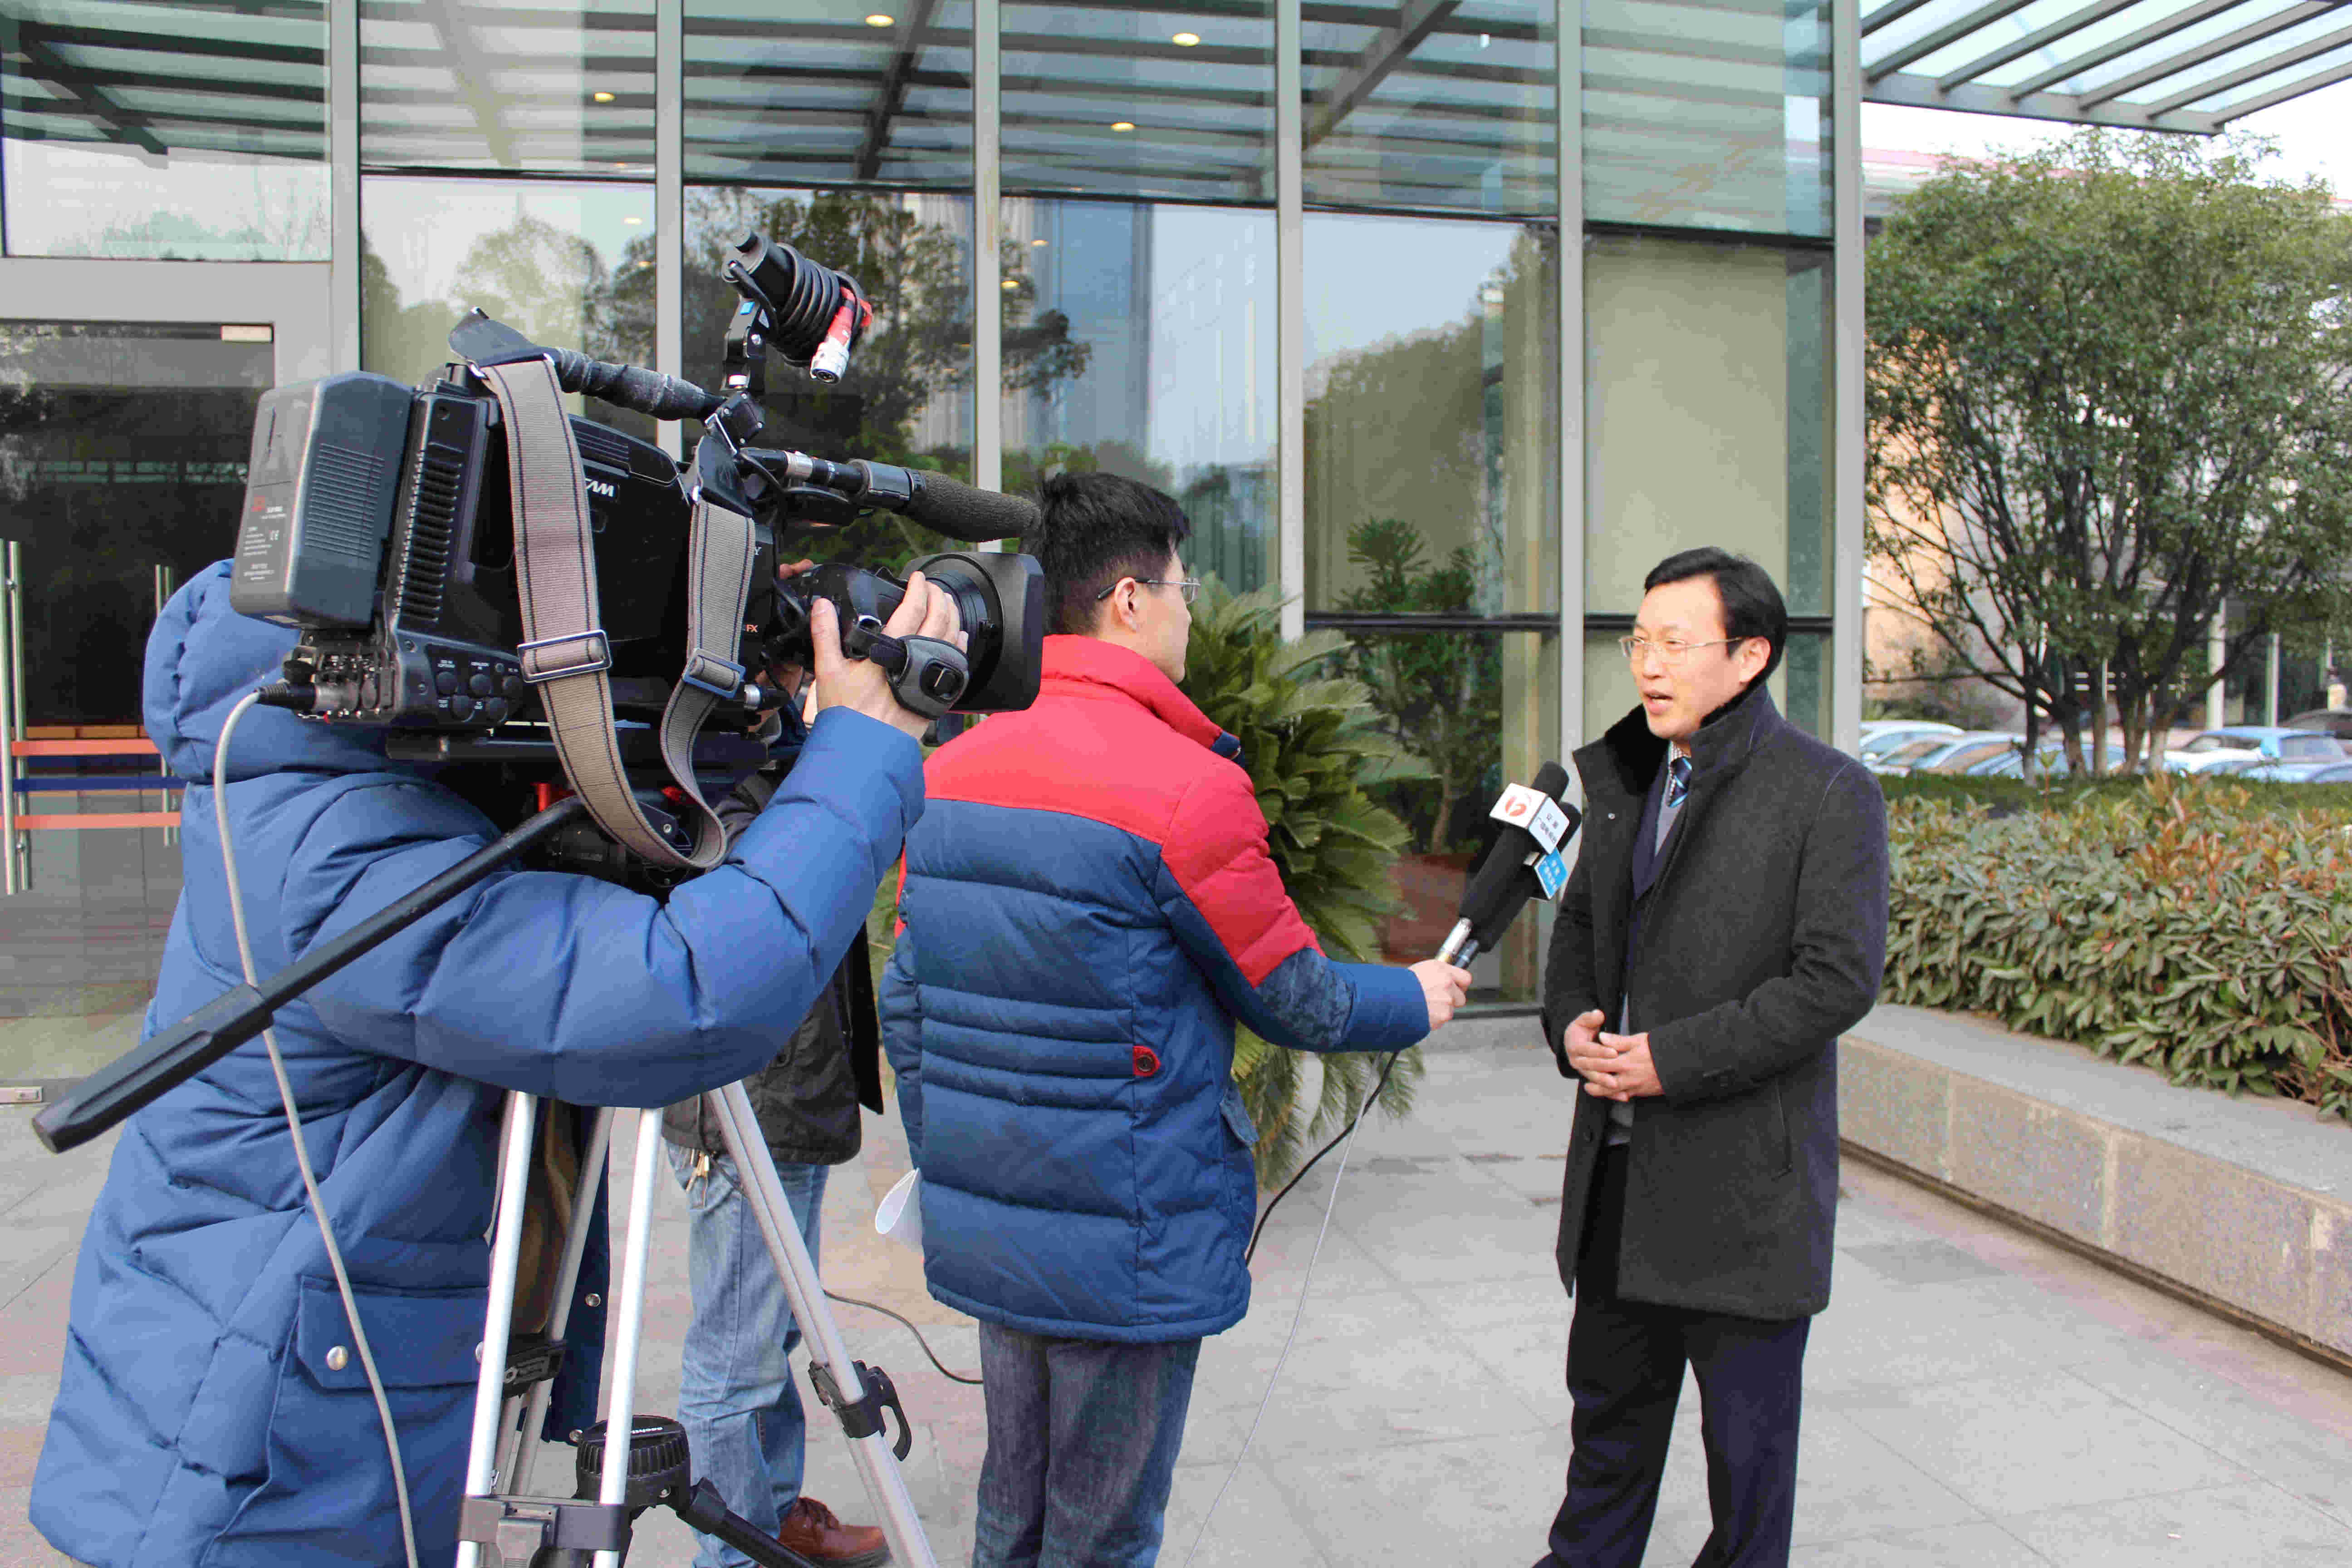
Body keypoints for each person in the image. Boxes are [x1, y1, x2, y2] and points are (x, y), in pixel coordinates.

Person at [32, 558, 960, 1568]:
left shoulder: (347, 784)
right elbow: (684, 995)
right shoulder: (334, 843)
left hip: (286, 1396)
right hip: (264, 1460)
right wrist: (862, 750)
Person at [880, 471, 1474, 1568]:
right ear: (1129, 601)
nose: (1191, 614)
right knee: (1102, 1535)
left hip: (996, 1222)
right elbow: (1292, 995)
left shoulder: (942, 773)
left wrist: (953, 1164)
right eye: (1183, 589)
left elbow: (907, 1002)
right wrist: (1416, 997)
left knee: (1011, 1515)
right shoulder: (1187, 789)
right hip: (1132, 1237)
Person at [1532, 547, 1888, 1568]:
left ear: (1749, 656)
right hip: (1618, 1186)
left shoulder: (1829, 793)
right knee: (1605, 1448)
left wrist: (1671, 1061)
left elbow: (1835, 983)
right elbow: (1580, 932)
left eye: (1676, 644)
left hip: (1745, 1204)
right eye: (1638, 642)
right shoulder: (1627, 776)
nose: (1649, 665)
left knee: (1747, 1478)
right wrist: (1571, 1024)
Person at [660, 618, 888, 1568]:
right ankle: (738, 1552)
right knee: (735, 1357)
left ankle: (775, 1514)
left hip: (787, 1096)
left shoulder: (770, 763)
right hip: (747, 1107)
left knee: (772, 1332)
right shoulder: (715, 783)